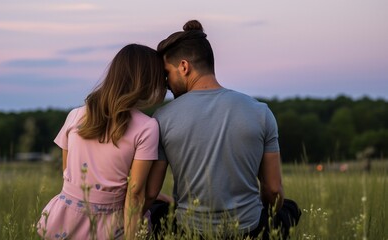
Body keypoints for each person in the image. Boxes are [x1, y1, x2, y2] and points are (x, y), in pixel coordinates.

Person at [149, 20, 301, 239]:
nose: (166, 84)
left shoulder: (162, 118)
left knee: (155, 207)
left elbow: (150, 192)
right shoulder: (260, 111)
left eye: (167, 74)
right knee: (289, 208)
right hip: (249, 230)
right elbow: (273, 191)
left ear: (184, 67)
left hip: (189, 231)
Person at [36, 44, 167, 240]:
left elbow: (68, 174)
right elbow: (136, 193)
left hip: (64, 219)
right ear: (148, 81)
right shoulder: (147, 127)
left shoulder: (75, 115)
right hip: (110, 225)